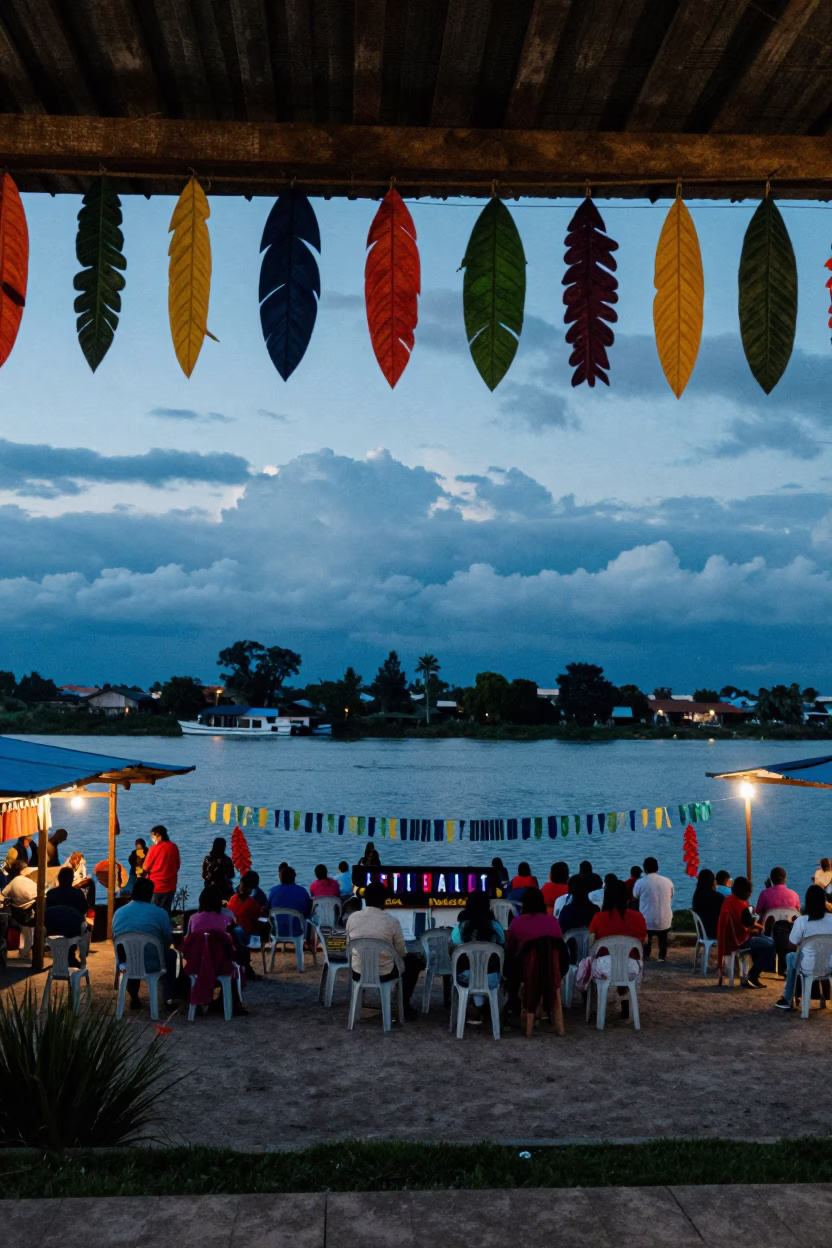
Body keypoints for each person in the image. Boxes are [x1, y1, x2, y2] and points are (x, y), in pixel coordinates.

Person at [345, 880, 421, 1021]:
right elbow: (401, 953)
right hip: (384, 972)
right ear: (385, 901)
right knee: (413, 962)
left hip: (358, 969)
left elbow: (349, 944)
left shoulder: (352, 918)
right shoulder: (391, 922)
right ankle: (403, 1005)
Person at [504, 886, 566, 1035]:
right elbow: (560, 945)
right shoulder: (553, 922)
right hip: (552, 970)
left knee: (510, 967)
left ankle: (515, 1009)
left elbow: (511, 949)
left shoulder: (517, 923)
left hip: (527, 972)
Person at [112, 876, 178, 1010]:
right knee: (171, 955)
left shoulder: (119, 913)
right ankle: (167, 997)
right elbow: (168, 940)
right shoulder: (160, 913)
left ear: (133, 892)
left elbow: (116, 938)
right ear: (151, 894)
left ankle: (134, 996)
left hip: (127, 962)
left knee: (131, 952)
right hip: (153, 962)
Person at [587, 878, 648, 1020]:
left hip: (605, 967)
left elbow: (591, 941)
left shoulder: (598, 917)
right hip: (631, 968)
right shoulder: (638, 917)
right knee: (624, 958)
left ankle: (592, 1007)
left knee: (595, 962)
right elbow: (643, 942)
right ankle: (626, 1003)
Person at [451, 889, 505, 1023]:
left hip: (466, 977)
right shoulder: (495, 926)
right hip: (492, 978)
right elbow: (502, 944)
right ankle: (483, 1007)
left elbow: (456, 944)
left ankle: (472, 1008)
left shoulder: (461, 927)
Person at [775, 884, 832, 1011]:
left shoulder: (801, 921)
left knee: (791, 957)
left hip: (808, 966)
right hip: (829, 966)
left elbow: (791, 945)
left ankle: (788, 998)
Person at [716, 876, 775, 988]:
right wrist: (760, 926)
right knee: (771, 943)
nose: (750, 894)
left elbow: (745, 922)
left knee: (767, 942)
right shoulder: (742, 905)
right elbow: (749, 924)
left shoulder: (728, 900)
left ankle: (753, 973)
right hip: (740, 939)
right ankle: (752, 975)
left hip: (729, 939)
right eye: (749, 892)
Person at [44, 865, 88, 965]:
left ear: (59, 879)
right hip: (72, 930)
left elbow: (46, 911)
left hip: (53, 929)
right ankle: (71, 956)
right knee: (81, 925)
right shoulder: (78, 894)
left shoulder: (51, 893)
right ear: (72, 880)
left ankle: (63, 957)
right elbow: (84, 909)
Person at [633, 857, 674, 960]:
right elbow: (671, 896)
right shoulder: (668, 881)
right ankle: (661, 956)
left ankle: (646, 954)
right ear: (657, 868)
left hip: (647, 922)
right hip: (665, 921)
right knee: (663, 938)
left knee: (647, 933)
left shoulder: (640, 882)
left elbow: (635, 896)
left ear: (645, 869)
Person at [267, 865, 311, 945]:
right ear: (294, 877)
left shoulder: (273, 891)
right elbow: (307, 911)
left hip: (277, 931)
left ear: (280, 878)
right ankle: (308, 943)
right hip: (297, 932)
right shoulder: (302, 891)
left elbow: (268, 909)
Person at [142, 826, 180, 912]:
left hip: (156, 886)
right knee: (166, 913)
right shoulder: (174, 847)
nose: (152, 838)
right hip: (171, 885)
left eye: (153, 836)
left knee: (153, 913)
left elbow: (146, 866)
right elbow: (177, 865)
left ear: (158, 836)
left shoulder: (154, 848)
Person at [227, 870, 267, 941]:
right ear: (250, 888)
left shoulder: (233, 897)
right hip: (246, 930)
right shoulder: (251, 901)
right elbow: (260, 914)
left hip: (234, 926)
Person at [691, 868, 725, 939]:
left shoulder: (696, 896)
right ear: (712, 881)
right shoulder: (718, 897)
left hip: (702, 932)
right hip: (715, 932)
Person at [201, 837, 235, 901]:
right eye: (224, 846)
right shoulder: (227, 860)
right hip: (220, 889)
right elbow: (232, 875)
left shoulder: (208, 859)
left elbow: (203, 875)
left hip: (217, 889)